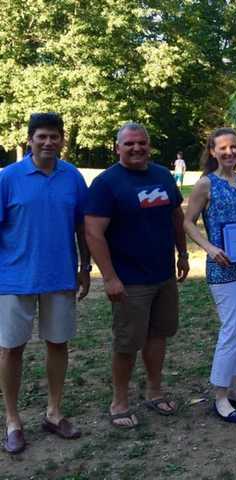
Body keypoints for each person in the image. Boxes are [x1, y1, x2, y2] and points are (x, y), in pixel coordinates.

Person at [85, 122, 189, 428]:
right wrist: (110, 277)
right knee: (128, 343)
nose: (136, 148)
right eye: (129, 144)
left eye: (141, 143)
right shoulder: (107, 183)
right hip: (129, 280)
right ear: (117, 148)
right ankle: (120, 400)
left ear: (149, 145)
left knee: (159, 335)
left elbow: (175, 216)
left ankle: (154, 390)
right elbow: (93, 232)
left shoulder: (162, 175)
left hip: (163, 274)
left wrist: (182, 254)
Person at [0, 113, 89, 454]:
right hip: (13, 278)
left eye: (54, 137)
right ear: (30, 140)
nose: (48, 142)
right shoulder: (9, 178)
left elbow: (83, 227)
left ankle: (53, 413)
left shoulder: (72, 177)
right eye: (42, 137)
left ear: (62, 140)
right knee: (10, 349)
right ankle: (13, 421)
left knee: (57, 343)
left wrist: (84, 266)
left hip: (59, 275)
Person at [183, 128, 236, 424]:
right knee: (230, 328)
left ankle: (234, 387)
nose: (229, 152)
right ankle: (219, 395)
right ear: (212, 152)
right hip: (223, 266)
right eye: (223, 148)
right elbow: (188, 223)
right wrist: (209, 247)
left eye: (234, 147)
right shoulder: (206, 184)